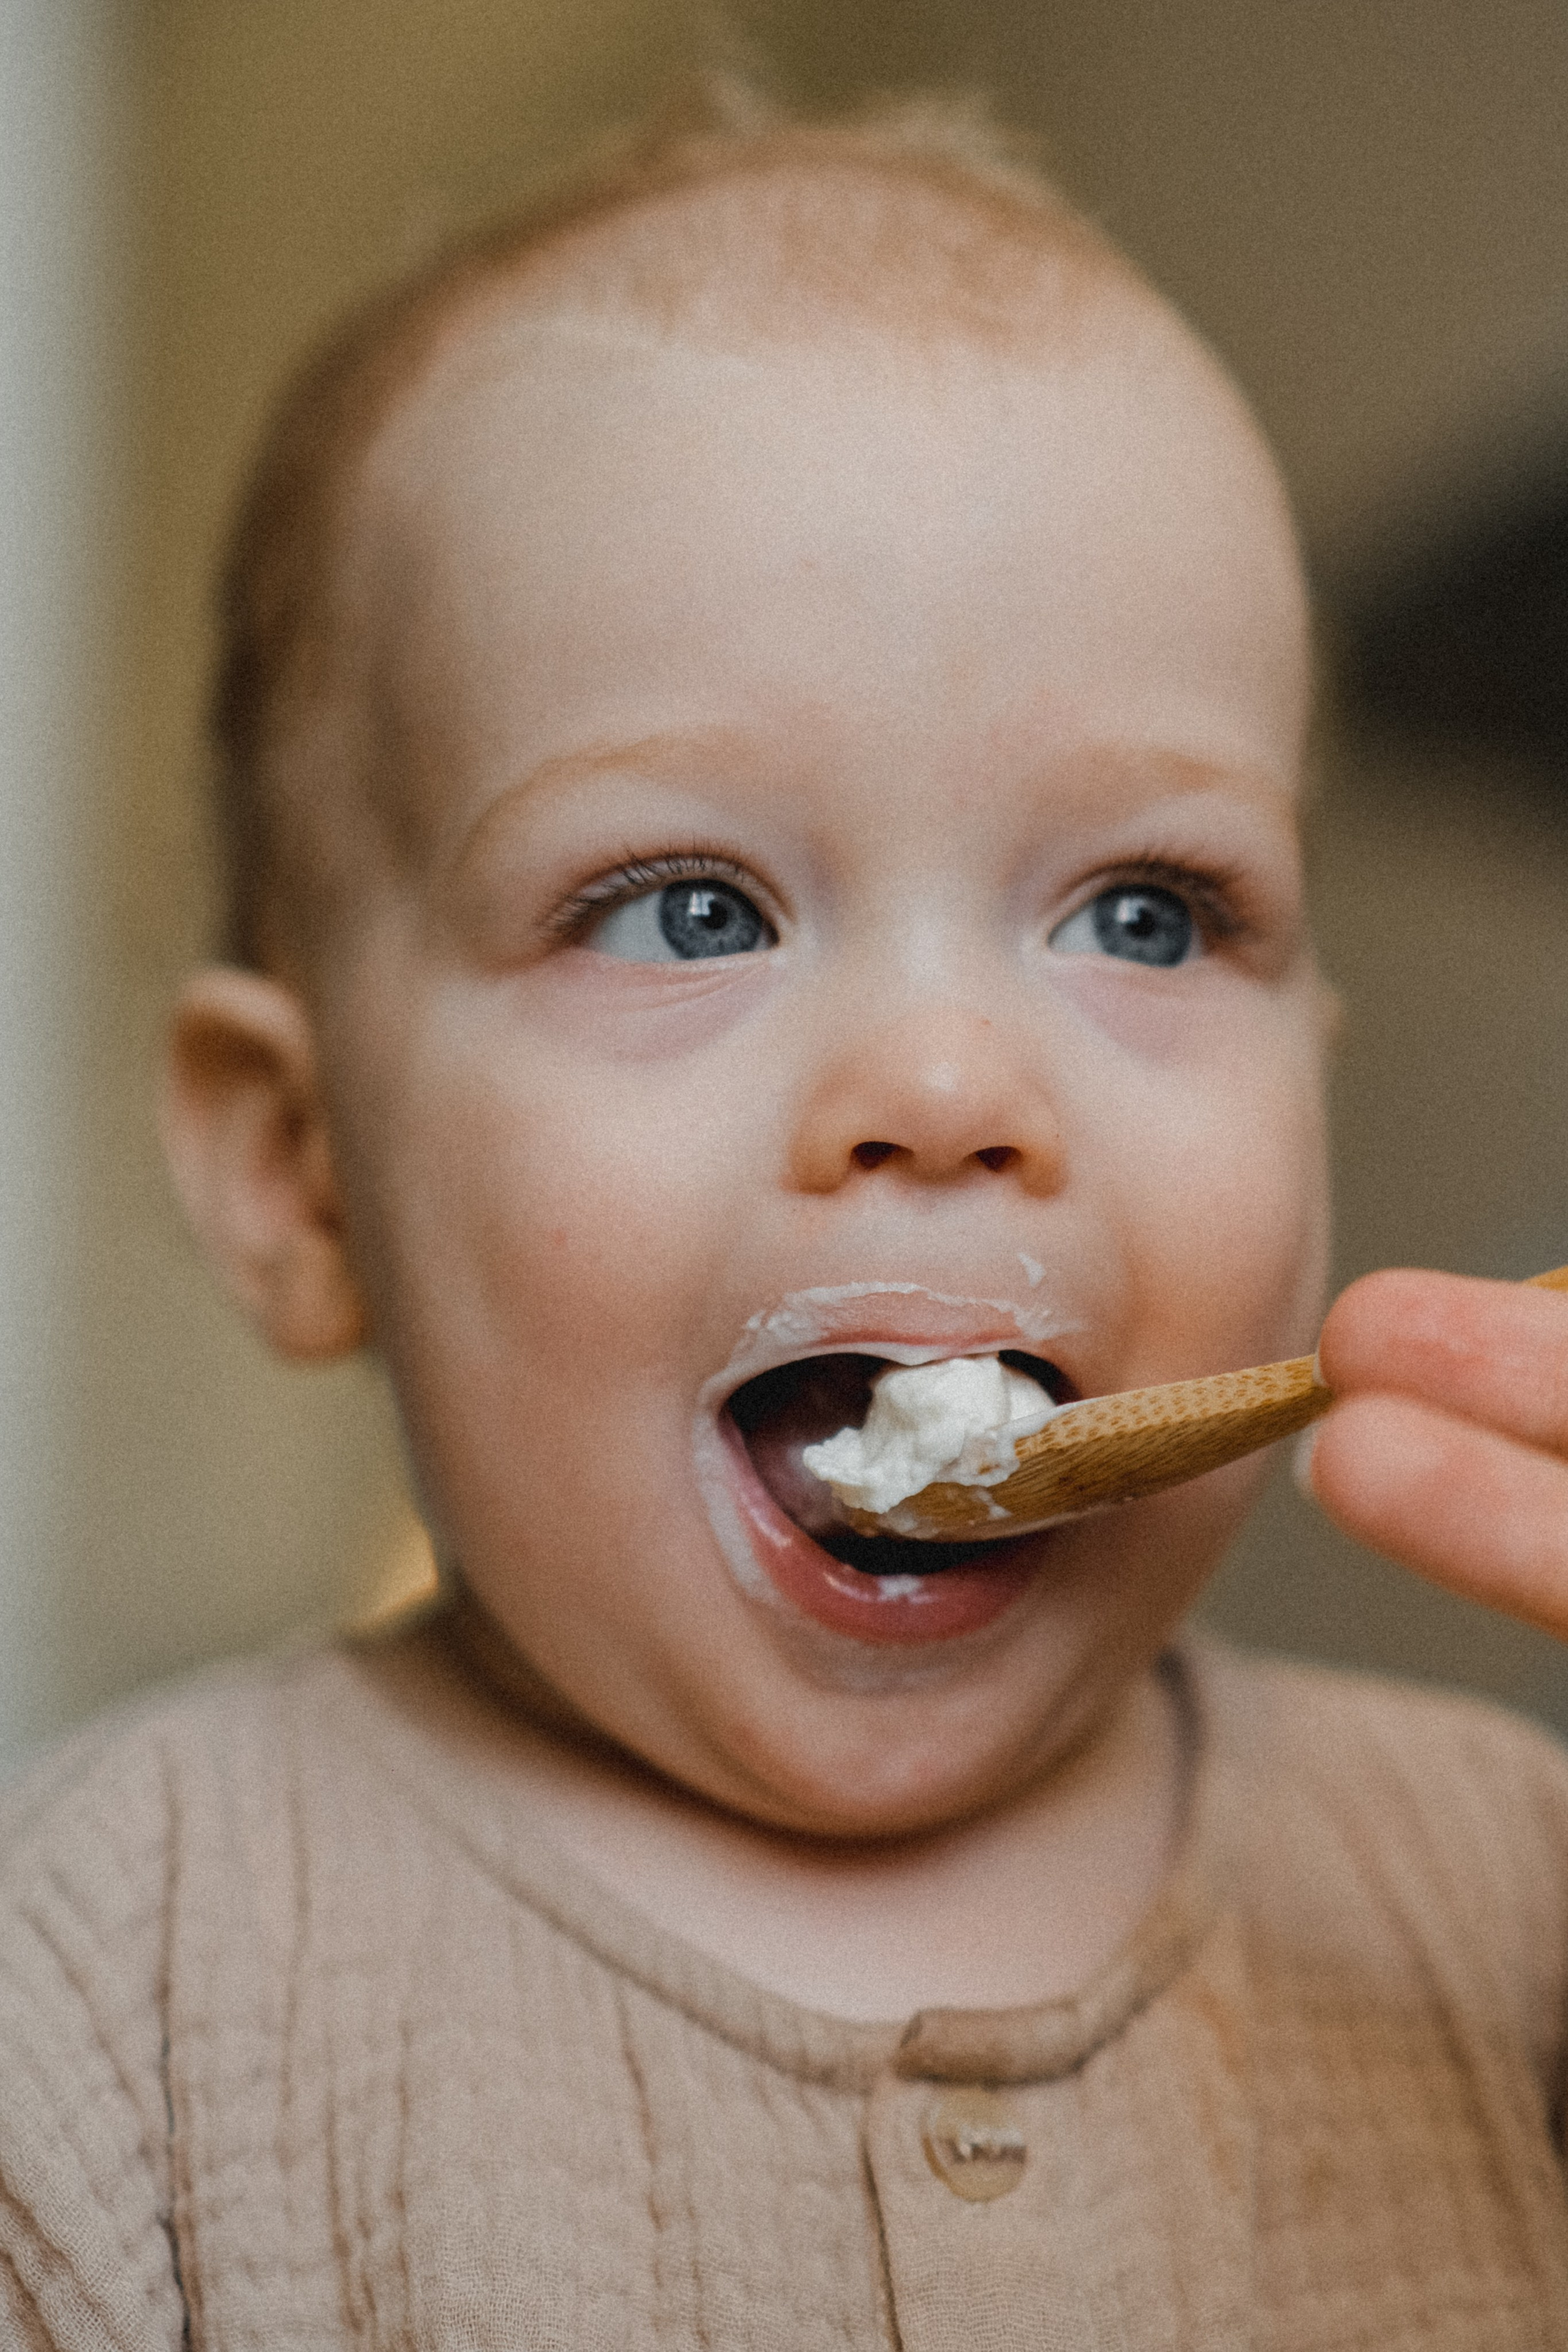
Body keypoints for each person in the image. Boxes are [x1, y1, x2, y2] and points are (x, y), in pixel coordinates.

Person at [6, 91, 1568, 2348]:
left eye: (1145, 911)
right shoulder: (102, 2017)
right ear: (299, 1167)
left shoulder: (1508, 1905)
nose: (949, 1086)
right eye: (686, 909)